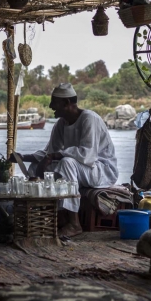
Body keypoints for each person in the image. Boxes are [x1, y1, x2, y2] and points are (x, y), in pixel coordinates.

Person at [10, 83, 118, 237]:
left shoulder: (89, 119)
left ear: (66, 103)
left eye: (54, 102)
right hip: (80, 168)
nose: (51, 106)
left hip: (101, 170)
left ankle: (74, 224)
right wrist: (23, 157)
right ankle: (53, 216)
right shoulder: (61, 124)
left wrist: (56, 156)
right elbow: (50, 151)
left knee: (67, 163)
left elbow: (87, 155)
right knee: (36, 166)